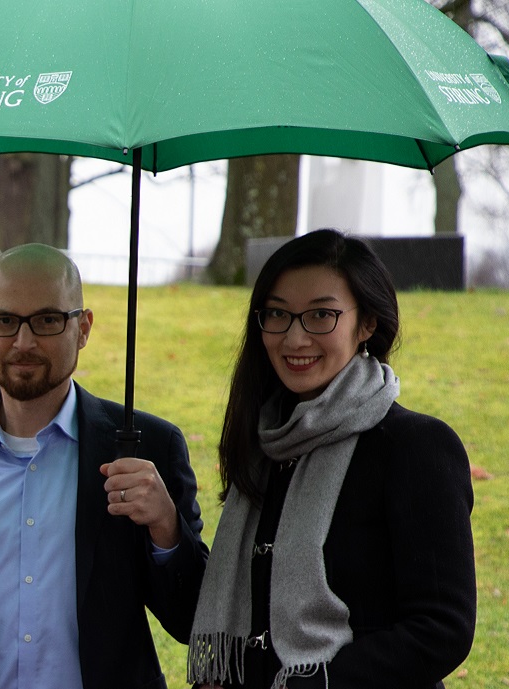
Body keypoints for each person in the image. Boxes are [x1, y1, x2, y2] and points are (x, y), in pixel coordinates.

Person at [0, 243, 208, 689]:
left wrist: (167, 529)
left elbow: (195, 620)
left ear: (83, 327)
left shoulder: (147, 450)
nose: (24, 342)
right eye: (5, 321)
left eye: (47, 320)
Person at [187, 230, 474, 689]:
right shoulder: (264, 442)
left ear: (367, 324)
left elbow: (441, 629)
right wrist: (166, 531)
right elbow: (223, 610)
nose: (295, 337)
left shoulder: (416, 447)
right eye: (277, 314)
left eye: (321, 315)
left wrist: (315, 684)